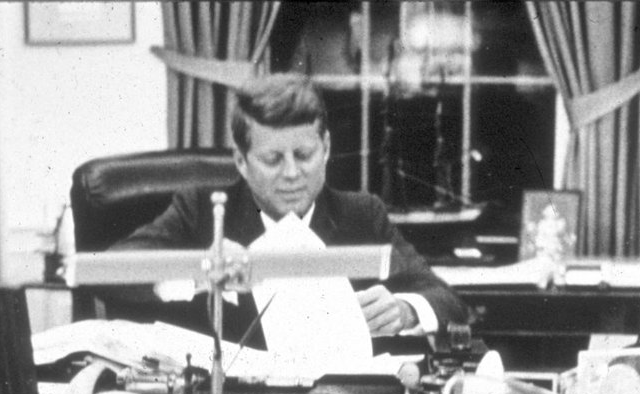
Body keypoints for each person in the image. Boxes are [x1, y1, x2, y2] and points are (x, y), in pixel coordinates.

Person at [112, 73, 469, 347]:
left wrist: (405, 310)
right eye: (272, 160)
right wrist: (199, 271)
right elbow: (113, 270)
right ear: (240, 159)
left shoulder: (362, 215)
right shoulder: (202, 211)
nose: (292, 174)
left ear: (326, 148)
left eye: (304, 155)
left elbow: (448, 300)